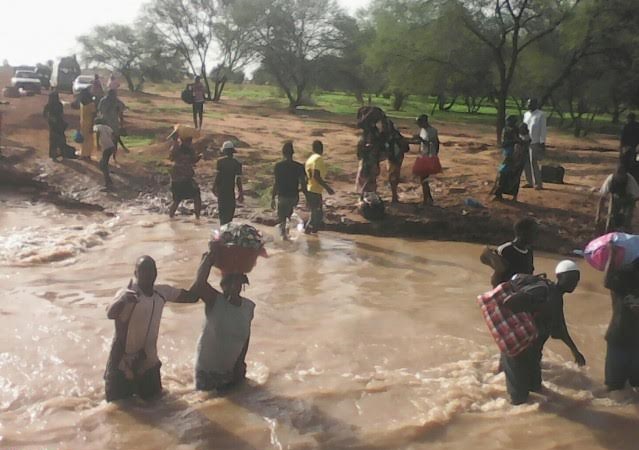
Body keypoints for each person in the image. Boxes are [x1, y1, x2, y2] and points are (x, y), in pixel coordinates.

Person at [104, 256, 199, 402]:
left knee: (157, 408)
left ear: (156, 273)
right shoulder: (127, 294)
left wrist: (207, 262)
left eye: (151, 270)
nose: (148, 274)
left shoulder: (162, 292)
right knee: (118, 410)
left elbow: (193, 297)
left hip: (148, 362)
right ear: (136, 274)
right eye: (143, 270)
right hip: (122, 365)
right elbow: (110, 313)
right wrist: (123, 299)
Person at [500, 260, 586, 405]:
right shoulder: (542, 290)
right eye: (571, 278)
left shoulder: (557, 297)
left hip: (533, 352)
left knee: (536, 388)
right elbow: (509, 303)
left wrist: (574, 351)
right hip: (518, 350)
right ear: (559, 276)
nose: (574, 283)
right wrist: (536, 308)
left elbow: (559, 329)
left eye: (576, 280)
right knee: (519, 400)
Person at [192, 247, 255, 392]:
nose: (232, 287)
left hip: (232, 370)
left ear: (242, 284)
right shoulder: (215, 300)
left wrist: (240, 362)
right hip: (207, 371)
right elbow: (199, 284)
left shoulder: (248, 307)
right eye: (228, 283)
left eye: (236, 283)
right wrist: (207, 261)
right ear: (222, 285)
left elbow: (245, 337)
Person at [603, 244, 639, 391]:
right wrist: (612, 255)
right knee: (614, 388)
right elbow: (607, 281)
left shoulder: (623, 279)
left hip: (630, 342)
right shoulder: (623, 281)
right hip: (619, 340)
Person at [482, 218, 537, 288]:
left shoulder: (529, 251)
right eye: (533, 232)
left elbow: (529, 274)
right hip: (505, 293)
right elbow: (497, 275)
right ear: (521, 232)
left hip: (521, 292)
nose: (536, 236)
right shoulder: (506, 249)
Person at [271, 141, 307, 239]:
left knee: (282, 218)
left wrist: (272, 198)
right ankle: (287, 234)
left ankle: (284, 237)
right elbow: (303, 183)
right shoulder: (299, 166)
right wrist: (306, 196)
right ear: (292, 153)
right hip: (294, 197)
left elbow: (276, 183)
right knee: (289, 214)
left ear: (283, 153)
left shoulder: (278, 166)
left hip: (282, 196)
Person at [596, 157, 639, 233]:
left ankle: (626, 230)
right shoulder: (610, 179)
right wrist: (598, 216)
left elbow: (635, 197)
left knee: (627, 218)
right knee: (612, 216)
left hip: (628, 199)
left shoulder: (630, 180)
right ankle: (609, 230)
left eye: (622, 174)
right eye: (618, 174)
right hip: (615, 198)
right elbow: (602, 198)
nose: (620, 177)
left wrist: (627, 212)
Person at [167, 125, 202, 219]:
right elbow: (171, 157)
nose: (190, 142)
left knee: (196, 196)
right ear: (183, 141)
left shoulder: (190, 150)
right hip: (178, 178)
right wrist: (174, 140)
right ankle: (171, 218)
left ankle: (197, 218)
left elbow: (192, 161)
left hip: (186, 178)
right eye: (189, 141)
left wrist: (197, 158)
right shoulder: (177, 148)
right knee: (177, 200)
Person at [304, 140, 335, 234]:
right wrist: (327, 188)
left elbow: (307, 176)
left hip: (310, 189)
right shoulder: (318, 159)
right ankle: (308, 231)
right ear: (321, 149)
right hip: (315, 190)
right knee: (317, 215)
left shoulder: (309, 159)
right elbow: (316, 176)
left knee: (315, 213)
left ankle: (313, 235)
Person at [213, 141, 244, 226]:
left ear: (225, 151)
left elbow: (218, 176)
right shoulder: (237, 163)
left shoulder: (220, 162)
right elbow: (238, 179)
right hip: (230, 191)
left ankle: (222, 230)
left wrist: (214, 187)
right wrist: (241, 192)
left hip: (221, 190)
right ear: (232, 151)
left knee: (222, 214)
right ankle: (227, 229)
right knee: (230, 214)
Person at [414, 114, 440, 206]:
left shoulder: (432, 131)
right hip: (423, 155)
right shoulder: (423, 130)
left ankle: (426, 201)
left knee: (424, 179)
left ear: (424, 122)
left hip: (428, 156)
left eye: (419, 123)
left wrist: (434, 156)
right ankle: (429, 198)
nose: (418, 125)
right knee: (424, 180)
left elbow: (434, 144)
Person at [523, 98, 547, 190]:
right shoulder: (526, 114)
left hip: (535, 142)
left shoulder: (541, 115)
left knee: (533, 162)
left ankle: (538, 183)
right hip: (525, 141)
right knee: (526, 162)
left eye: (530, 104)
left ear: (535, 104)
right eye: (528, 103)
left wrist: (542, 142)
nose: (528, 105)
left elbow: (543, 129)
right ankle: (529, 182)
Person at [385, 119, 409, 204]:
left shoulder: (390, 136)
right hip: (398, 157)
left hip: (394, 157)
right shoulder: (397, 135)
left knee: (392, 176)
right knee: (394, 175)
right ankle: (394, 195)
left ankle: (394, 196)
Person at [97, 89, 125, 158]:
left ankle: (109, 155)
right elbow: (121, 114)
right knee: (114, 140)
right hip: (113, 123)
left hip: (106, 122)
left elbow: (99, 111)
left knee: (108, 140)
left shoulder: (103, 101)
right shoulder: (117, 102)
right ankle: (112, 155)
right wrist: (121, 124)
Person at [355, 126, 382, 196]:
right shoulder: (374, 143)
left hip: (367, 162)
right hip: (369, 162)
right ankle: (364, 194)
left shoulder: (362, 140)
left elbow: (359, 154)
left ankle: (364, 194)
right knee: (368, 179)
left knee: (366, 179)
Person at [42, 91, 66, 161]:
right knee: (59, 140)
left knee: (54, 141)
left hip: (54, 124)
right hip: (57, 124)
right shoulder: (59, 104)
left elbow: (44, 114)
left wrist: (50, 118)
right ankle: (59, 154)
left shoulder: (49, 105)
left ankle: (55, 155)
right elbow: (61, 114)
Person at [93, 118, 116, 189]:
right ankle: (108, 180)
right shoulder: (107, 127)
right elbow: (114, 135)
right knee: (103, 164)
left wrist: (97, 144)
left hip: (106, 147)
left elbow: (97, 132)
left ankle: (108, 183)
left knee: (102, 165)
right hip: (111, 146)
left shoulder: (97, 126)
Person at [79, 88, 96, 160]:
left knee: (89, 139)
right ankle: (83, 154)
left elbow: (93, 116)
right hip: (83, 123)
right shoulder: (82, 103)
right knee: (83, 139)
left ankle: (87, 155)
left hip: (89, 123)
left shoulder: (91, 104)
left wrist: (92, 125)